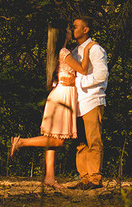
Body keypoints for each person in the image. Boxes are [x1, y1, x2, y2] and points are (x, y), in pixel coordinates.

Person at [9, 22, 91, 187]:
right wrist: (88, 49)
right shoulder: (64, 52)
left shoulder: (60, 51)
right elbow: (83, 69)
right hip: (62, 97)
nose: (71, 30)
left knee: (54, 139)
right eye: (68, 28)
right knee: (58, 141)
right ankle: (21, 142)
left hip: (62, 94)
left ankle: (49, 177)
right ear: (62, 33)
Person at [70, 15, 108, 190]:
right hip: (77, 102)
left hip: (92, 100)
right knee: (81, 143)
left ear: (86, 30)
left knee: (94, 140)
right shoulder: (74, 52)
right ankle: (84, 178)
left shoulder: (95, 49)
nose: (73, 29)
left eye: (76, 26)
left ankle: (94, 178)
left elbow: (101, 75)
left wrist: (80, 82)